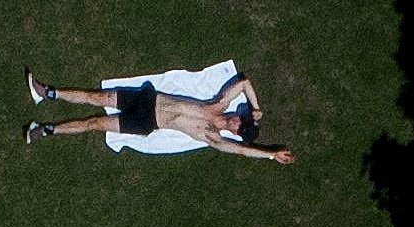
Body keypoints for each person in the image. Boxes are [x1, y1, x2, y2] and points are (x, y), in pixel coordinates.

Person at [22, 68, 296, 164]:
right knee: (95, 96)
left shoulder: (212, 137)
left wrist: (271, 155)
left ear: (236, 132)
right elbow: (244, 82)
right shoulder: (218, 104)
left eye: (241, 125)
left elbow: (243, 152)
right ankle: (48, 93)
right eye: (243, 118)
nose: (239, 120)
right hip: (147, 99)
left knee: (94, 123)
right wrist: (256, 105)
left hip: (146, 122)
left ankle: (44, 130)